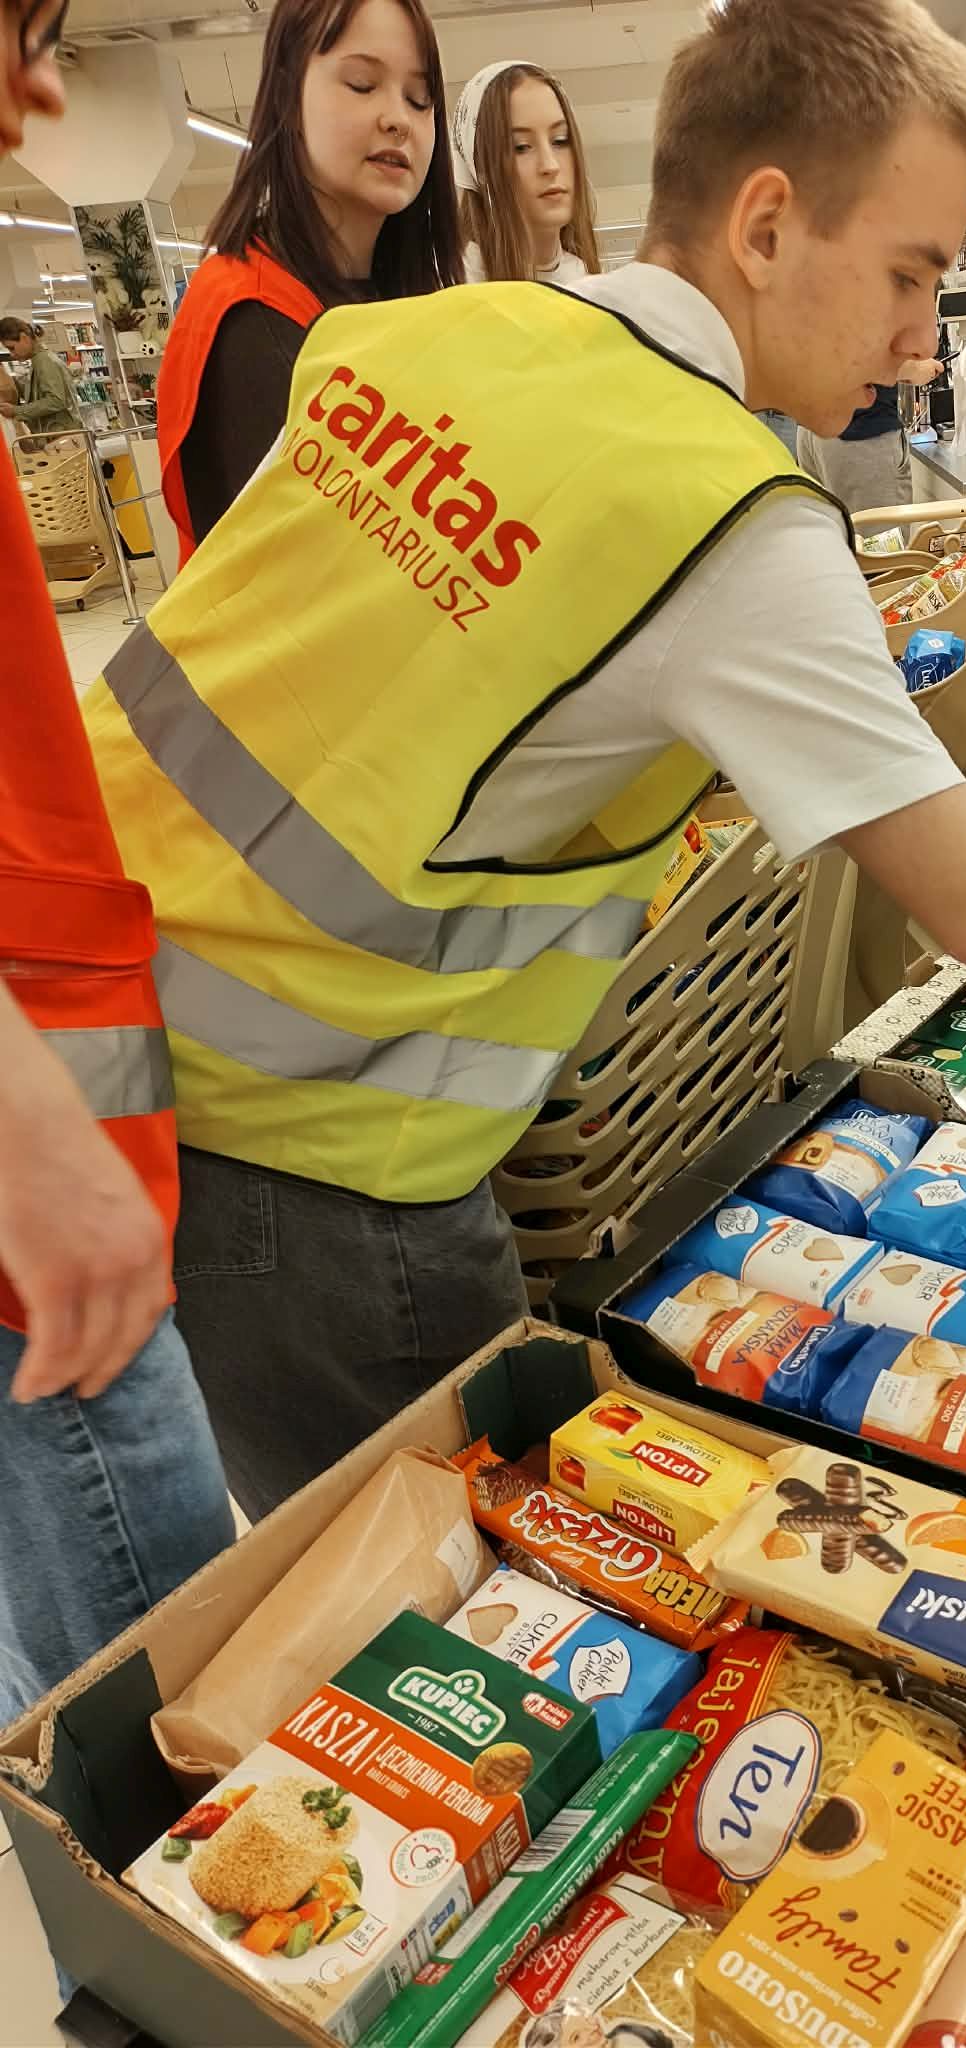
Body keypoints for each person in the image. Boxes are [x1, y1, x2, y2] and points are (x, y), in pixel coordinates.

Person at [83, 0, 966, 1519]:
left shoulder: (422, 334)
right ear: (765, 224)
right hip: (319, 1145)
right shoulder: (719, 511)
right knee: (437, 1558)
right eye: (908, 272)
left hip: (100, 1039)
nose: (922, 335)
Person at [0, 0, 233, 1719]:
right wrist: (27, 1127)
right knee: (162, 1711)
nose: (41, 82)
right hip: (36, 1156)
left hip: (57, 1070)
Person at [157, 0, 459, 565]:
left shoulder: (394, 300)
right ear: (287, 97)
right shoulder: (251, 320)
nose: (398, 118)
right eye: (362, 84)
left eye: (420, 98)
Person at [452, 60, 600, 285]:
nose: (550, 165)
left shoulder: (585, 278)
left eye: (560, 140)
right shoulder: (456, 284)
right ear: (480, 169)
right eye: (521, 147)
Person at [796, 358, 942, 513]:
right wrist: (913, 368)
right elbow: (858, 355)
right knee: (878, 528)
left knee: (828, 527)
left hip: (813, 425)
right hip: (861, 437)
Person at [0, 316, 80, 435]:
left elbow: (56, 400)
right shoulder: (40, 360)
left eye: (12, 348)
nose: (12, 354)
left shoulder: (44, 361)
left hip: (61, 436)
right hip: (60, 435)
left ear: (24, 338)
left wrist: (16, 411)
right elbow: (38, 392)